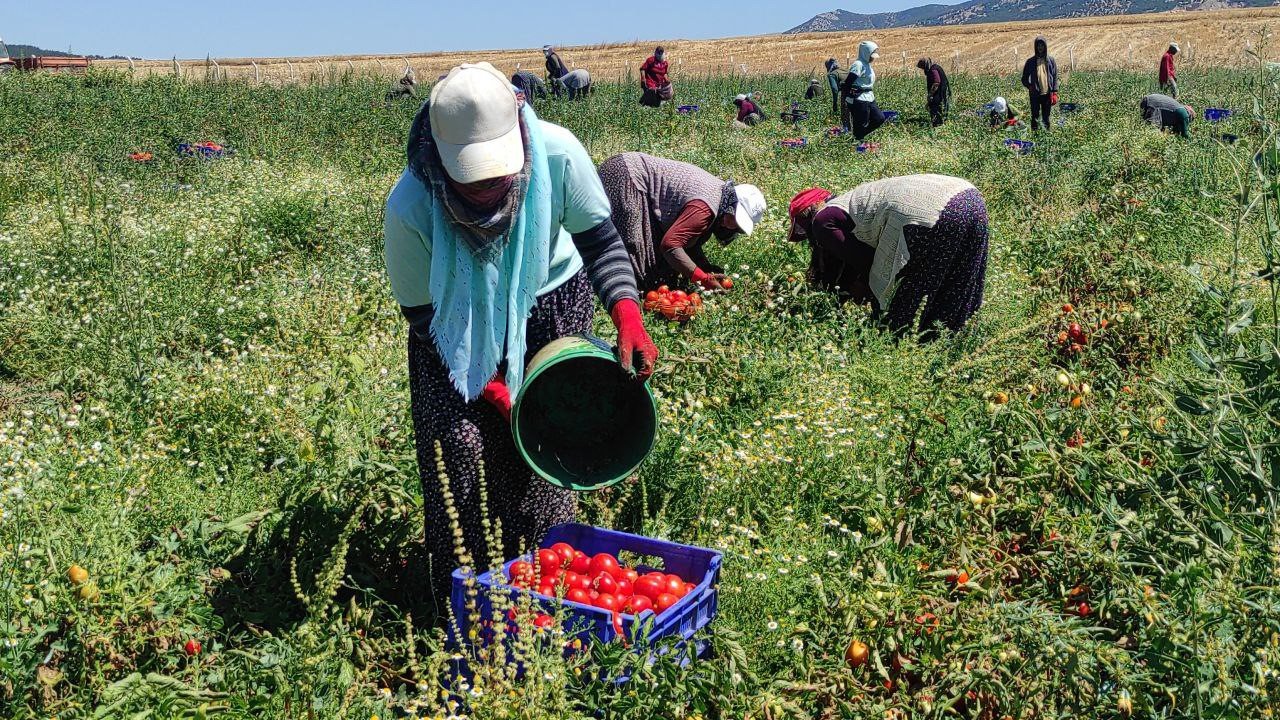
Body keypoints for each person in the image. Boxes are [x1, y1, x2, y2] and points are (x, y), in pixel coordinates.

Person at [383, 63, 658, 603]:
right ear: (441, 158)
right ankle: (466, 598)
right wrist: (494, 389)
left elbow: (600, 243)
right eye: (472, 176)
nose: (487, 188)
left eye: (497, 173)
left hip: (549, 302)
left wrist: (628, 314)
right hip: (454, 328)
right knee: (463, 450)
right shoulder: (410, 206)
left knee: (549, 441)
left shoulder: (556, 153)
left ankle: (544, 582)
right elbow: (422, 317)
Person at [785, 175, 989, 338]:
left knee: (905, 301)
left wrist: (864, 295)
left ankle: (911, 353)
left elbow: (870, 263)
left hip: (929, 213)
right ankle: (954, 344)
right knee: (956, 284)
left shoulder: (822, 221)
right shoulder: (853, 202)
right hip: (970, 198)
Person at [597, 152, 766, 291]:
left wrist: (705, 268)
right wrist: (702, 278)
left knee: (657, 268)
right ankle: (610, 288)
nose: (731, 227)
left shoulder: (719, 198)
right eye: (735, 221)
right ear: (731, 206)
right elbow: (670, 245)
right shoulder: (705, 208)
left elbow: (688, 241)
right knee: (633, 250)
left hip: (630, 174)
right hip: (625, 174)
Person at [841, 41, 884, 140]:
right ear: (866, 53)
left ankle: (858, 136)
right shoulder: (858, 64)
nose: (873, 58)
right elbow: (849, 81)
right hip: (859, 98)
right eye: (871, 55)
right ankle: (858, 142)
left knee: (879, 118)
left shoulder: (867, 65)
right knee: (861, 123)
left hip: (869, 97)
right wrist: (848, 98)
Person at [1021, 36, 1059, 131]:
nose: (1040, 47)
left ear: (1045, 46)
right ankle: (1035, 135)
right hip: (1035, 95)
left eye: (1042, 45)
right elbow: (1024, 78)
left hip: (1047, 94)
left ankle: (1046, 137)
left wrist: (1054, 93)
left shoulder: (1051, 61)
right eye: (1038, 45)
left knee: (1046, 117)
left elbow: (1055, 77)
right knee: (1035, 116)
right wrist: (1030, 86)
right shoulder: (1030, 62)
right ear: (1035, 47)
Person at [916, 57, 950, 127]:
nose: (923, 70)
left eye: (922, 67)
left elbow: (936, 82)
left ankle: (938, 126)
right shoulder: (935, 67)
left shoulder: (933, 70)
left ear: (925, 65)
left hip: (939, 94)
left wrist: (930, 94)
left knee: (937, 109)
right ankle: (941, 125)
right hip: (942, 93)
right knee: (942, 109)